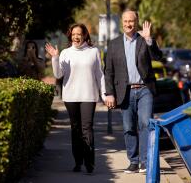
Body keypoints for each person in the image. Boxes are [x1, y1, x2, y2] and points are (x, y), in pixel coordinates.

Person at [104, 10, 162, 173]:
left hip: (145, 90)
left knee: (145, 124)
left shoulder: (144, 40)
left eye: (132, 21)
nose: (128, 24)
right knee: (128, 127)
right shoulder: (114, 44)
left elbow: (158, 57)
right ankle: (134, 161)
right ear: (121, 22)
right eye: (126, 21)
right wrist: (109, 93)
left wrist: (149, 39)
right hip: (125, 91)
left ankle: (145, 161)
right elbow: (108, 71)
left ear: (136, 22)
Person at [45, 23, 106, 173]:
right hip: (71, 96)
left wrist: (104, 93)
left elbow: (100, 75)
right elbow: (58, 75)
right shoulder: (65, 53)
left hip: (89, 95)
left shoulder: (93, 52)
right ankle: (78, 162)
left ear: (85, 35)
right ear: (70, 36)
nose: (76, 37)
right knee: (76, 129)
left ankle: (89, 162)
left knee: (87, 128)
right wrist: (55, 58)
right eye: (73, 35)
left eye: (79, 34)